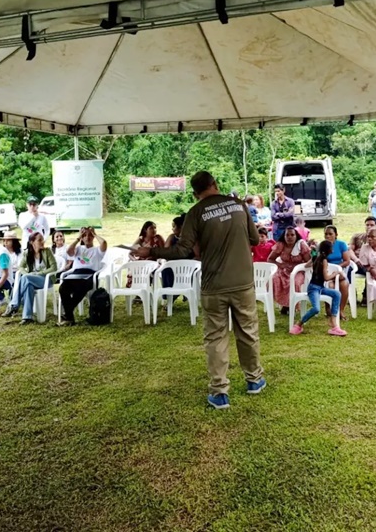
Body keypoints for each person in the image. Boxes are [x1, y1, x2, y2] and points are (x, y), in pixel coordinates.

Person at [136, 170, 265, 410]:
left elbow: (182, 250)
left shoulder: (196, 213)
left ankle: (219, 392)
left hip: (213, 285)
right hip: (243, 282)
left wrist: (150, 251)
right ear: (215, 184)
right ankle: (254, 380)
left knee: (216, 337)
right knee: (247, 331)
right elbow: (256, 240)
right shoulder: (238, 204)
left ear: (195, 193)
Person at [290, 240, 347, 336]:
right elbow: (326, 278)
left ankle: (333, 323)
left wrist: (313, 262)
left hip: (320, 287)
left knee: (337, 294)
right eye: (332, 248)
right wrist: (335, 273)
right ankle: (299, 324)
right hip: (313, 288)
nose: (333, 250)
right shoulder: (324, 260)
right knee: (316, 309)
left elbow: (306, 265)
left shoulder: (316, 257)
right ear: (329, 250)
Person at [58, 227, 108, 325]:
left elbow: (104, 243)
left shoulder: (97, 250)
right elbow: (68, 251)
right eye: (85, 236)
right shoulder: (78, 249)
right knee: (63, 288)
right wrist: (78, 238)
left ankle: (67, 314)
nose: (87, 238)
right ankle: (69, 316)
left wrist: (94, 234)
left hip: (90, 275)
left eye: (90, 236)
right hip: (76, 274)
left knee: (81, 288)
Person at [13, 232, 58, 325]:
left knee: (26, 279)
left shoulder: (47, 251)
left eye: (42, 239)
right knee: (28, 285)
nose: (42, 242)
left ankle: (14, 304)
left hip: (46, 279)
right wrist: (27, 274)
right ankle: (27, 317)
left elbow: (54, 268)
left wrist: (38, 273)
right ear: (32, 242)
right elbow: (20, 267)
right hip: (31, 279)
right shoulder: (27, 253)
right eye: (39, 240)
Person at [267, 226, 311, 315]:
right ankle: (283, 304)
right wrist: (281, 265)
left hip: (299, 270)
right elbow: (270, 259)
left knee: (295, 282)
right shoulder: (280, 244)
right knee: (273, 279)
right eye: (287, 235)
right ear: (284, 236)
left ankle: (291, 305)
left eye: (292, 235)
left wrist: (298, 268)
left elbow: (309, 261)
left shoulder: (301, 244)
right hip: (284, 269)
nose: (290, 237)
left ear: (296, 236)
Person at [323, 225, 356, 307]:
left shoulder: (341, 244)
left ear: (336, 235)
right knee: (331, 286)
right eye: (326, 234)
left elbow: (347, 261)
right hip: (327, 272)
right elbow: (320, 261)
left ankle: (341, 310)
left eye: (330, 234)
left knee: (344, 285)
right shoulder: (323, 245)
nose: (328, 236)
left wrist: (337, 267)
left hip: (340, 270)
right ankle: (329, 309)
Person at [1, 230, 24, 315]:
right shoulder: (2, 251)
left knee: (16, 278)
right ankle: (2, 299)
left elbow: (20, 265)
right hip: (4, 272)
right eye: (4, 240)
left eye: (8, 240)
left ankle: (12, 303)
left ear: (13, 242)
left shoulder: (20, 252)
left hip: (16, 272)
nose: (5, 242)